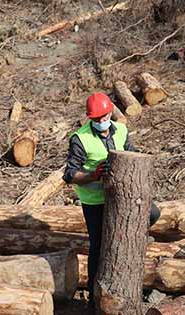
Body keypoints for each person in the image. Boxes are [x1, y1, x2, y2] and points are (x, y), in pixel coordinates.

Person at [63, 92, 160, 310]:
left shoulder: (122, 130)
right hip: (95, 200)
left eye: (103, 117)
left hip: (121, 197)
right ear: (90, 118)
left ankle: (132, 238)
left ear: (110, 113)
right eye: (95, 119)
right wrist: (93, 175)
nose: (100, 122)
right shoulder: (80, 138)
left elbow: (132, 155)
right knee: (98, 244)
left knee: (153, 214)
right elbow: (70, 175)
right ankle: (92, 296)